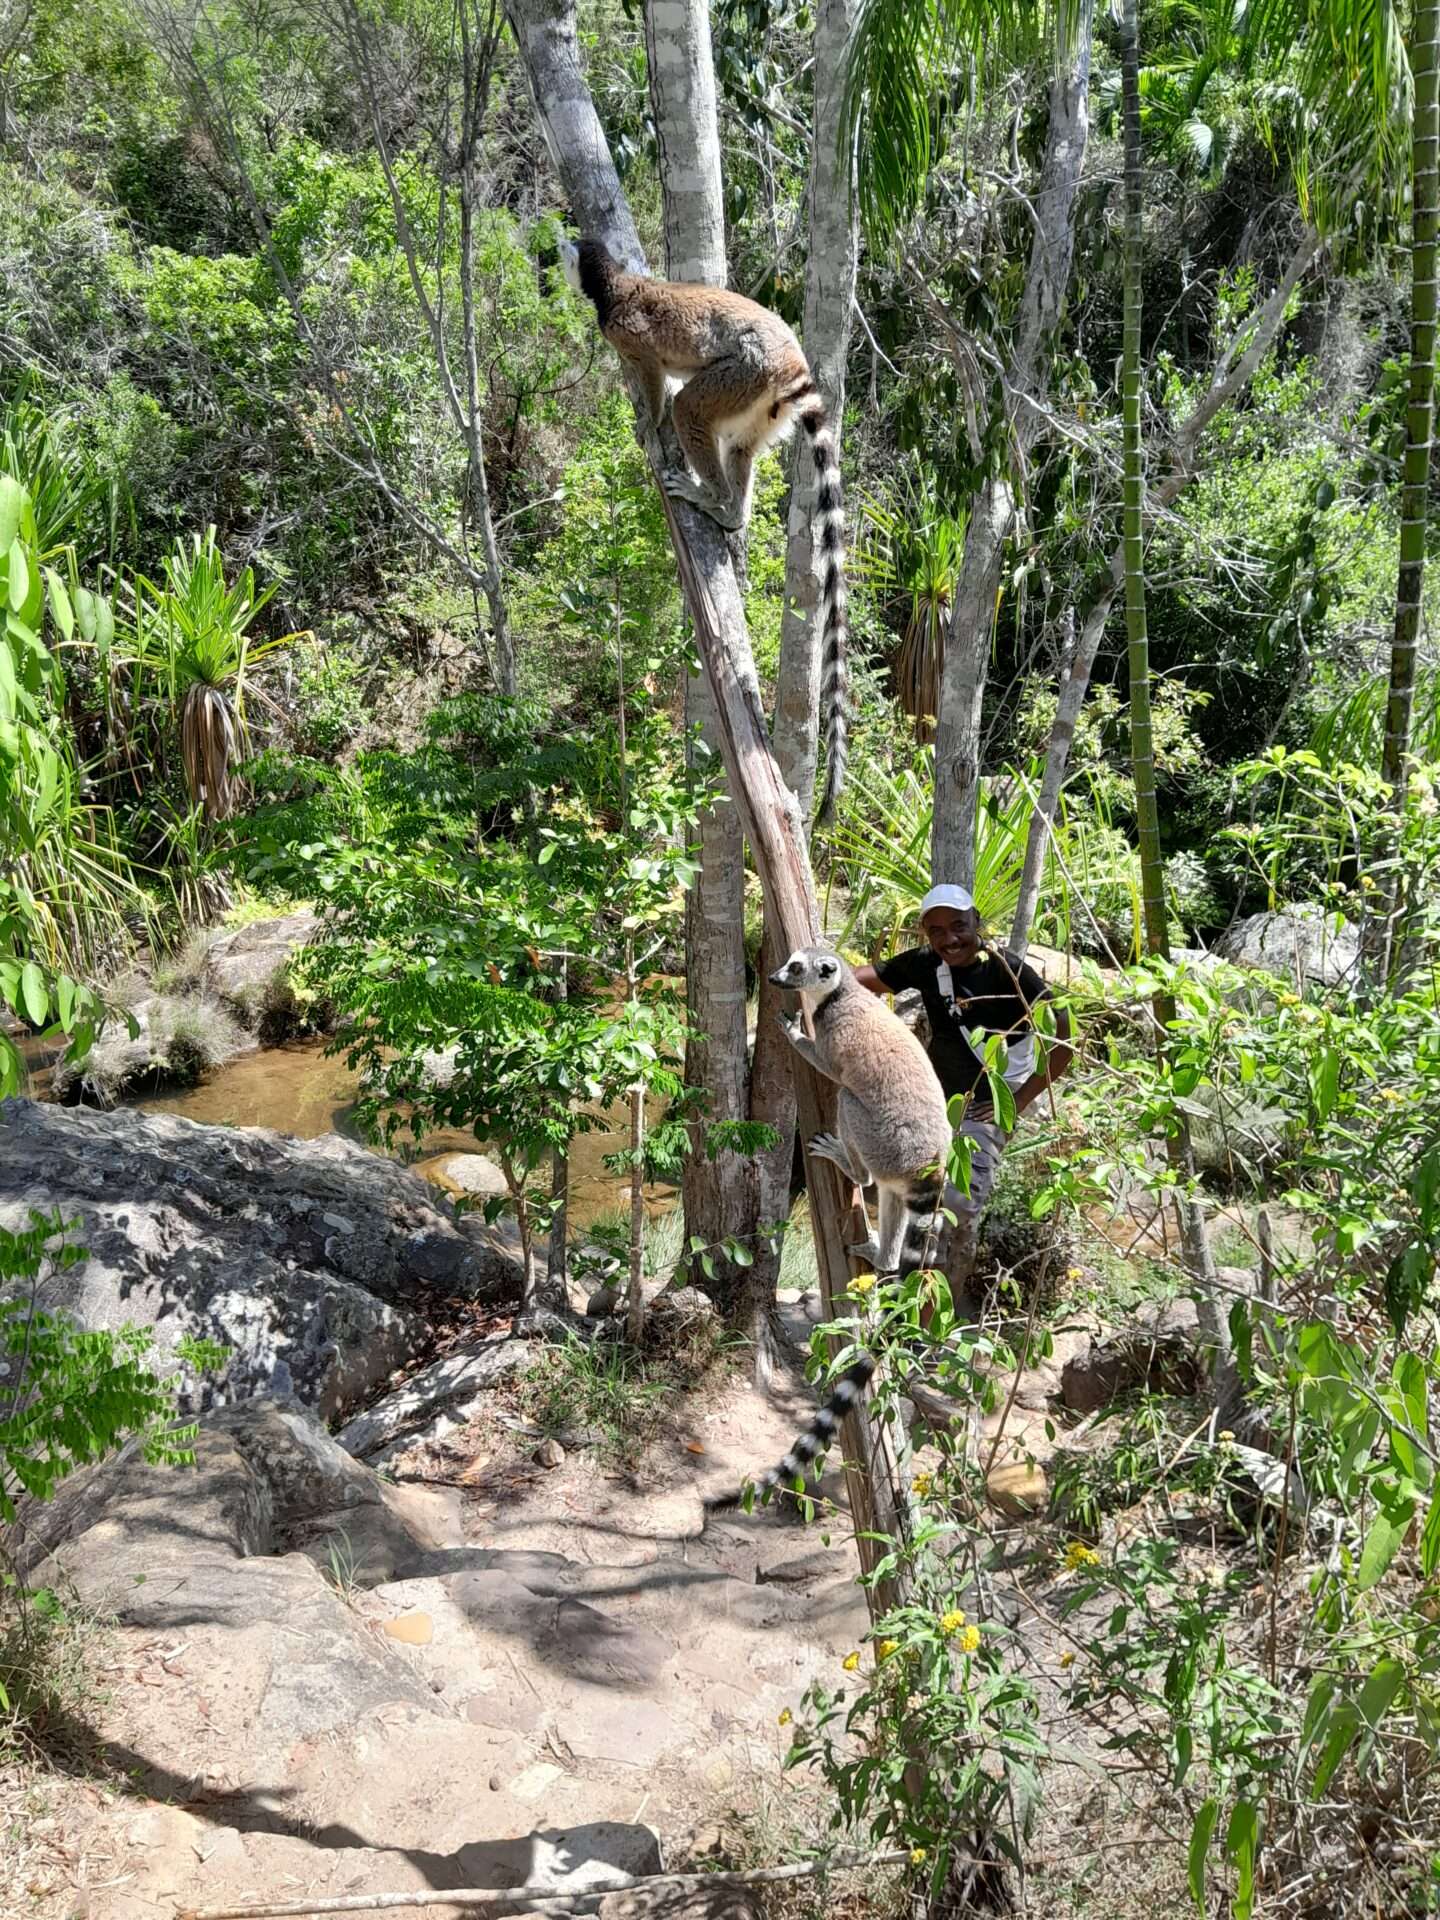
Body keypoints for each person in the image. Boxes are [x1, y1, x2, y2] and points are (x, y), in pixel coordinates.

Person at [854, 884, 1074, 1306]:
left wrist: (1018, 1102)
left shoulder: (1006, 971)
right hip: (935, 1100)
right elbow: (863, 980)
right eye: (936, 930)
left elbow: (1064, 1035)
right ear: (925, 934)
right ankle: (898, 1294)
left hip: (984, 1105)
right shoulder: (924, 963)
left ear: (976, 921)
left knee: (956, 1208)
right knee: (912, 1189)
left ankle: (936, 1313)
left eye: (958, 925)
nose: (949, 938)